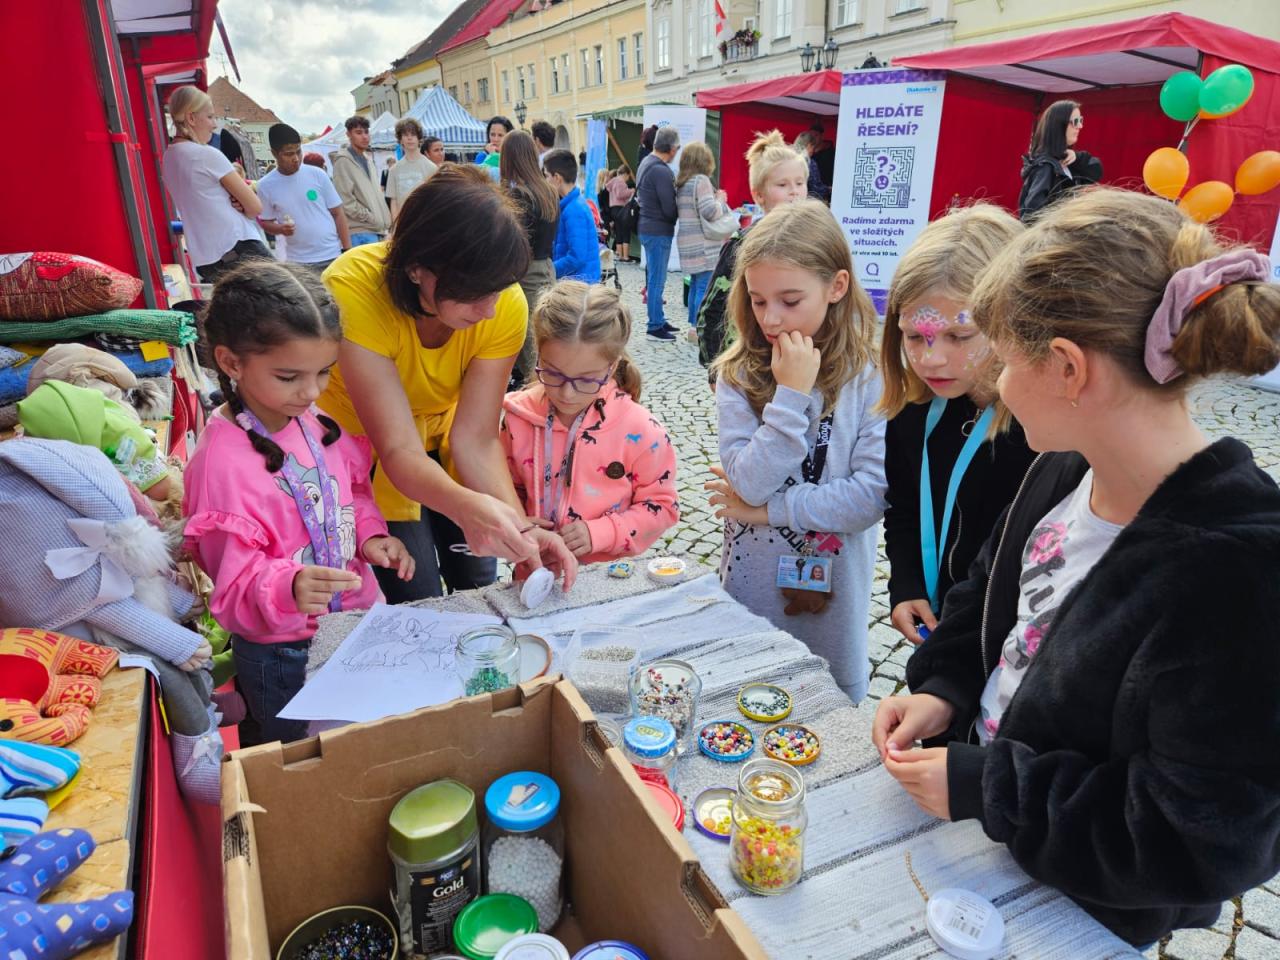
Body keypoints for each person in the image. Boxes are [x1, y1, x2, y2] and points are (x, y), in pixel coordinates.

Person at [872, 188, 1280, 947]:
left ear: (1066, 368)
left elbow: (1201, 837)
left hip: (1085, 911)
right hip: (988, 849)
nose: (997, 385)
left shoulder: (1240, 575)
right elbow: (989, 596)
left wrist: (990, 788)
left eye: (1004, 359)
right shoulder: (1066, 467)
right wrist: (945, 688)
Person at [317, 164, 578, 602]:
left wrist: (521, 530)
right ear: (417, 267)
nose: (489, 310)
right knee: (414, 590)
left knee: (476, 578)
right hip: (362, 452)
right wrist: (468, 507)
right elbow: (397, 448)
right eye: (474, 294)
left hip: (445, 437)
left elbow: (476, 437)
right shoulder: (354, 290)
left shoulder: (502, 301)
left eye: (498, 290)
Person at [183, 261, 414, 746]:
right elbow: (231, 586)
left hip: (354, 623)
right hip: (285, 654)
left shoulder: (313, 419)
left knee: (367, 740)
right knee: (308, 756)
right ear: (231, 363)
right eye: (289, 376)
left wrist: (370, 536)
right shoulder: (220, 465)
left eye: (323, 373)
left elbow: (350, 492)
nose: (311, 392)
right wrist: (287, 586)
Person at [706, 201, 887, 702]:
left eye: (790, 300)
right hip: (751, 599)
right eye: (758, 300)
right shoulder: (740, 374)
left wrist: (770, 512)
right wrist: (790, 396)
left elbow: (869, 498)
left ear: (837, 286)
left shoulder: (870, 376)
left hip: (834, 609)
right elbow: (748, 482)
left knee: (831, 711)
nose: (770, 318)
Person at [877, 205, 1035, 645]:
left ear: (1010, 321)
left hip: (1006, 635)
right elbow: (904, 505)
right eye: (915, 336)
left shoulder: (1040, 431)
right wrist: (906, 584)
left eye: (959, 336)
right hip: (938, 624)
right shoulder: (912, 407)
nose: (931, 359)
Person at [500, 281, 678, 562]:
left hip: (606, 577)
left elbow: (662, 506)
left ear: (612, 366)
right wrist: (519, 521)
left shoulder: (641, 430)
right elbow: (505, 485)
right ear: (539, 355)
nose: (567, 393)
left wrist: (602, 533)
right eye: (553, 374)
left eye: (585, 380)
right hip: (535, 570)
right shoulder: (518, 418)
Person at [697, 130, 809, 376]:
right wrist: (715, 369)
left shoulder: (814, 242)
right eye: (782, 185)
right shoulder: (743, 244)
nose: (794, 191)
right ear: (759, 195)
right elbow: (712, 309)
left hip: (802, 362)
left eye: (800, 183)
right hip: (752, 365)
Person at [161, 85, 268, 283]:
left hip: (206, 259)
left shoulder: (169, 157)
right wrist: (241, 202)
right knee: (292, 298)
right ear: (191, 118)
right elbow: (255, 207)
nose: (214, 125)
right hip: (238, 247)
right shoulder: (206, 154)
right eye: (210, 117)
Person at [501, 130, 560, 386]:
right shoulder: (548, 191)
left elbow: (512, 242)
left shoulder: (518, 196)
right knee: (545, 332)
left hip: (523, 271)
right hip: (545, 266)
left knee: (528, 340)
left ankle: (535, 389)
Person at [256, 123, 351, 274]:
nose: (296, 158)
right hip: (298, 263)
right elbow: (265, 222)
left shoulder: (318, 174)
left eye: (298, 151)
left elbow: (338, 213)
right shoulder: (265, 185)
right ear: (274, 153)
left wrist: (347, 251)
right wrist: (280, 229)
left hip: (332, 255)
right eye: (288, 154)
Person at [675, 142, 733, 342]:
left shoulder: (682, 183)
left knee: (695, 284)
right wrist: (721, 200)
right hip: (703, 244)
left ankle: (692, 327)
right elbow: (710, 212)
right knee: (703, 286)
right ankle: (698, 328)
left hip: (687, 241)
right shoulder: (701, 181)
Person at [1018, 99, 1103, 222]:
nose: (1080, 126)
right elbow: (1032, 216)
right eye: (1075, 121)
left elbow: (1096, 172)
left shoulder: (1067, 160)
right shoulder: (1045, 167)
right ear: (1059, 125)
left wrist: (1077, 157)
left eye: (1081, 120)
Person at [635, 126, 681, 341]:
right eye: (677, 148)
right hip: (658, 231)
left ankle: (659, 319)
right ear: (671, 148)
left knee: (655, 277)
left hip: (648, 227)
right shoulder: (661, 170)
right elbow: (669, 208)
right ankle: (654, 327)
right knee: (656, 280)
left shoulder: (646, 162)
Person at [332, 115, 392, 246]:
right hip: (360, 231)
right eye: (358, 133)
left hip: (376, 230)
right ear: (349, 134)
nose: (364, 136)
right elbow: (345, 200)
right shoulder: (343, 161)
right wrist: (371, 218)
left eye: (366, 132)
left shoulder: (367, 159)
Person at [544, 149, 600, 285]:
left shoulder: (574, 210)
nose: (545, 181)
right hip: (576, 282)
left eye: (546, 176)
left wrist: (548, 270)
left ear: (557, 178)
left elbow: (576, 257)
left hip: (578, 286)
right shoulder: (571, 204)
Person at [386, 117, 439, 222]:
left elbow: (435, 200)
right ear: (400, 140)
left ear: (419, 138)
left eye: (413, 134)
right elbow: (394, 202)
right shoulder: (393, 170)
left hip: (425, 223)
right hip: (403, 224)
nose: (409, 138)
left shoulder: (432, 168)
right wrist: (396, 225)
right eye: (406, 135)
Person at [604, 164, 635, 262]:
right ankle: (625, 257)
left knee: (618, 232)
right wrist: (631, 191)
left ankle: (620, 255)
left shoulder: (613, 181)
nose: (628, 179)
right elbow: (620, 194)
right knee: (625, 232)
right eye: (628, 176)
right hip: (621, 209)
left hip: (613, 209)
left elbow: (610, 190)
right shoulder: (621, 182)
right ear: (625, 174)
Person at [794, 131, 830, 203]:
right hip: (807, 202)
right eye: (813, 147)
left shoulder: (789, 159)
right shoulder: (809, 163)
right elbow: (816, 188)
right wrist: (828, 189)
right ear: (809, 145)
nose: (813, 151)